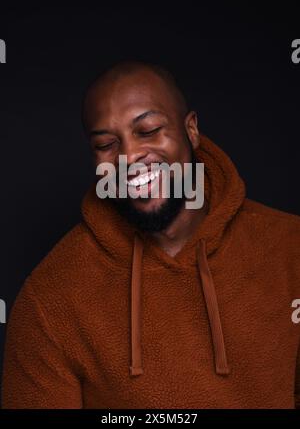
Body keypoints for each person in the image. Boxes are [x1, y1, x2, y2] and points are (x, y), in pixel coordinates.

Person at [2, 60, 300, 409]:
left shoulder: (289, 248)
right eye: (106, 144)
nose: (129, 158)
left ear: (191, 130)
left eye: (148, 131)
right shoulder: (50, 299)